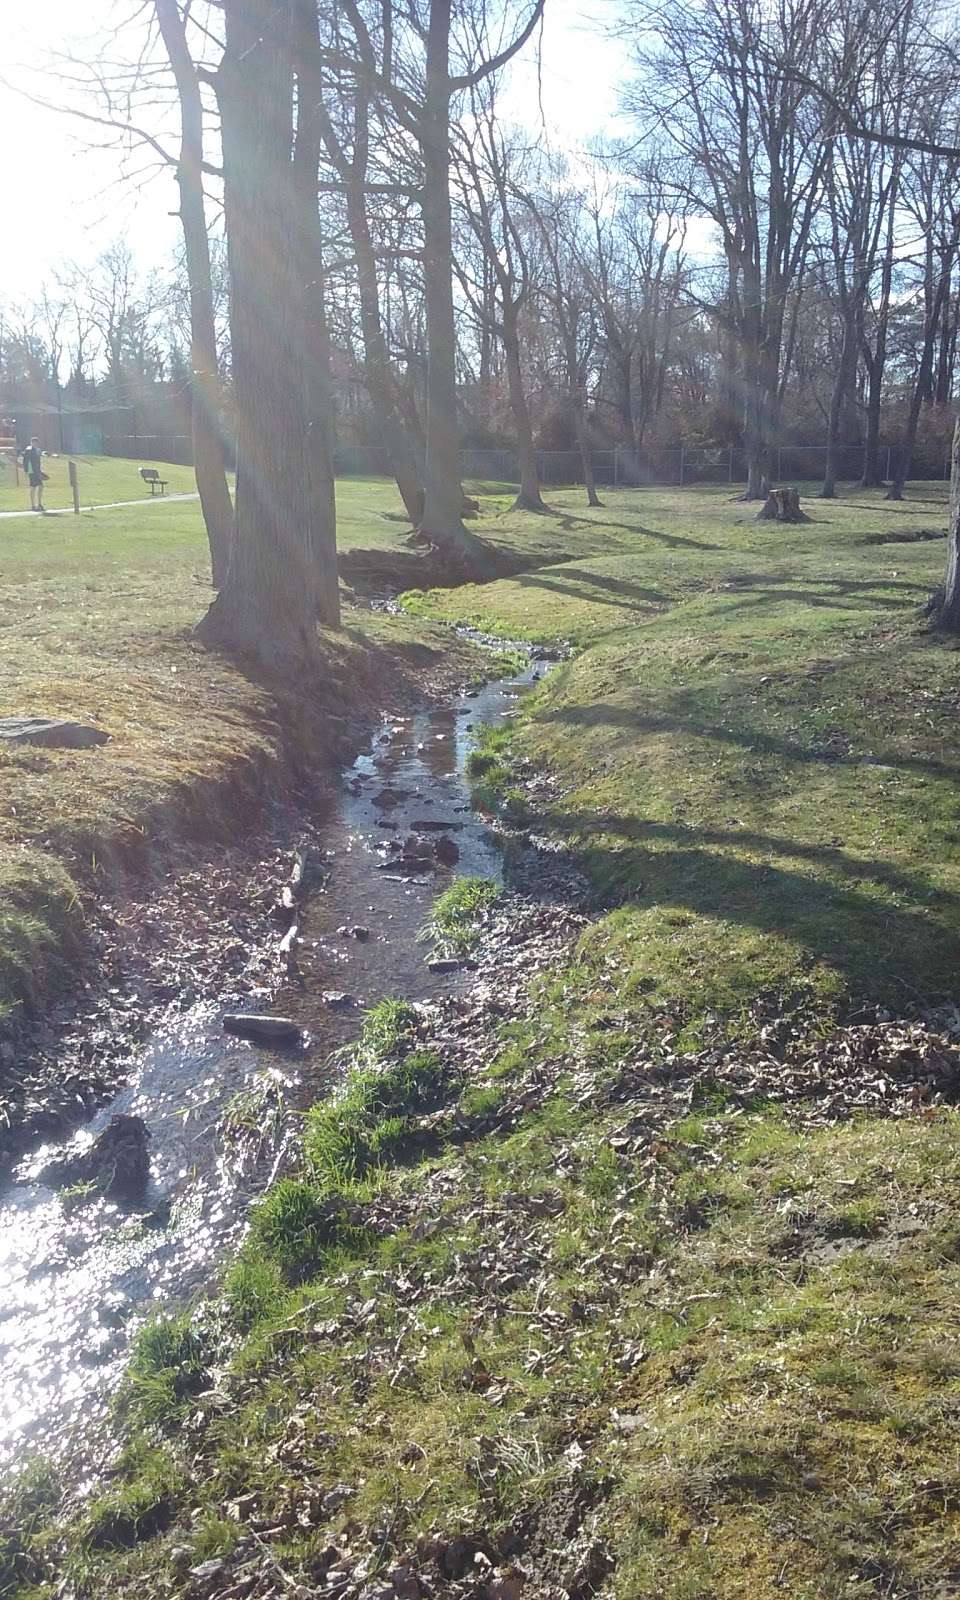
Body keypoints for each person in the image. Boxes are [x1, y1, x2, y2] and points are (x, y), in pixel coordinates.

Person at [22, 437, 47, 513]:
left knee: (40, 486)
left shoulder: (37, 450)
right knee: (33, 487)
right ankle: (33, 505)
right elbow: (26, 461)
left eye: (36, 442)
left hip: (37, 471)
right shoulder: (29, 450)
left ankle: (39, 504)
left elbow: (37, 462)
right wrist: (27, 471)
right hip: (32, 471)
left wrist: (40, 471)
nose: (35, 444)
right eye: (33, 442)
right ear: (31, 443)